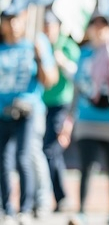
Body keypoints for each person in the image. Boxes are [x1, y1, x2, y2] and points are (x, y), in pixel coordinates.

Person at [65, 15, 109, 225]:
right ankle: (81, 212)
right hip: (88, 119)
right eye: (94, 26)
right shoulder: (85, 54)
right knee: (86, 166)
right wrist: (69, 119)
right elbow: (78, 87)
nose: (98, 30)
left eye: (102, 26)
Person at [0, 10, 59, 223]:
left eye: (16, 19)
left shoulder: (35, 42)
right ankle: (7, 208)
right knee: (3, 161)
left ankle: (27, 207)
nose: (13, 24)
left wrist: (41, 56)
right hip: (2, 111)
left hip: (28, 111)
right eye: (8, 20)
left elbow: (51, 79)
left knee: (24, 158)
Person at [40, 11, 79, 214]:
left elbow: (79, 75)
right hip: (41, 104)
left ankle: (61, 196)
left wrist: (62, 62)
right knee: (48, 153)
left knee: (51, 150)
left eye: (50, 25)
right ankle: (57, 196)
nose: (47, 29)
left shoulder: (67, 46)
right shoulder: (40, 44)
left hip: (61, 104)